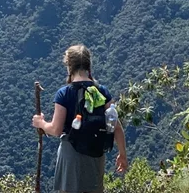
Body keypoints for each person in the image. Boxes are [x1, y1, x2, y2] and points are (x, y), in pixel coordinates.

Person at [32, 45, 128, 193]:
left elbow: (56, 130)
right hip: (95, 154)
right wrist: (122, 155)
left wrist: (41, 123)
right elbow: (116, 126)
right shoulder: (101, 92)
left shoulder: (64, 93)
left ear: (69, 66)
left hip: (71, 155)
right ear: (89, 65)